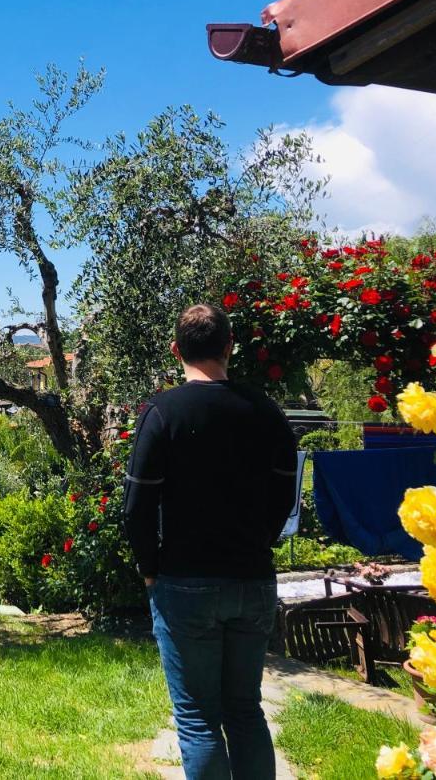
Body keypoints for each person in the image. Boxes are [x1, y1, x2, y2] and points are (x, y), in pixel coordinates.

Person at [124, 303, 297, 780]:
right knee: (245, 710)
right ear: (229, 345)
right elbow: (284, 496)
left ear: (176, 349)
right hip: (252, 579)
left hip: (184, 581)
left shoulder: (162, 413)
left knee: (198, 719)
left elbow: (136, 506)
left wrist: (149, 567)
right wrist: (257, 543)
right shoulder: (267, 412)